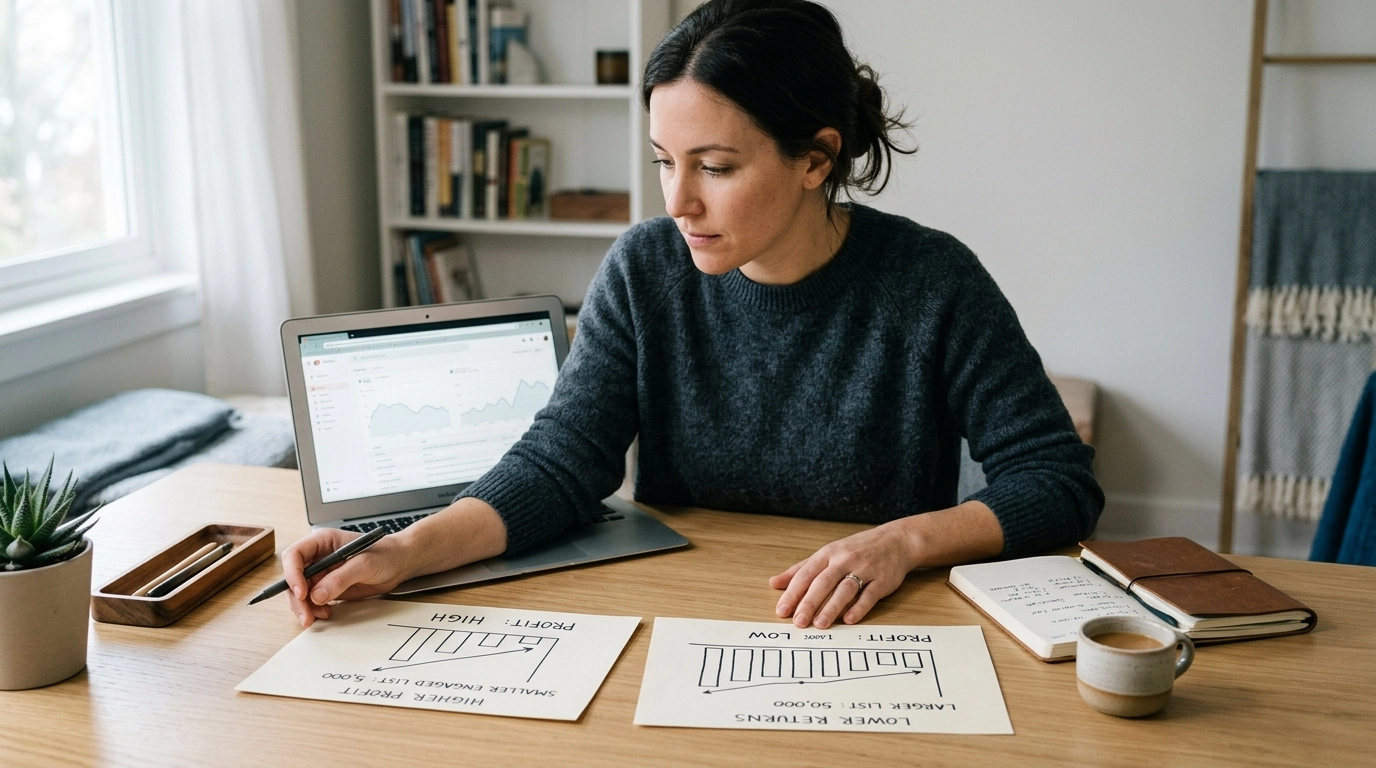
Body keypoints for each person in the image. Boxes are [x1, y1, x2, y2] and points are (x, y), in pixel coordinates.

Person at [282, 0, 1102, 631]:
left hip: (870, 625)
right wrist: (399, 550)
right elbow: (565, 457)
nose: (677, 200)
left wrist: (906, 541)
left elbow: (1056, 482)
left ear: (815, 158)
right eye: (666, 162)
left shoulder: (930, 280)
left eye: (714, 166)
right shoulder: (645, 268)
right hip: (680, 608)